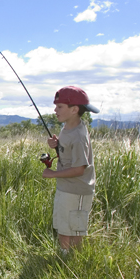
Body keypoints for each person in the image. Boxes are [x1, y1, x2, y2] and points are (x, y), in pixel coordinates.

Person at [42, 86, 99, 254]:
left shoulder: (79, 136)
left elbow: (79, 169)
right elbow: (68, 151)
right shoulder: (67, 127)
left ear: (74, 109)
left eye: (59, 107)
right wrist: (57, 144)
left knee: (74, 227)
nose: (55, 110)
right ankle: (64, 256)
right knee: (62, 223)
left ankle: (73, 258)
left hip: (77, 189)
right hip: (65, 187)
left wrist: (53, 174)